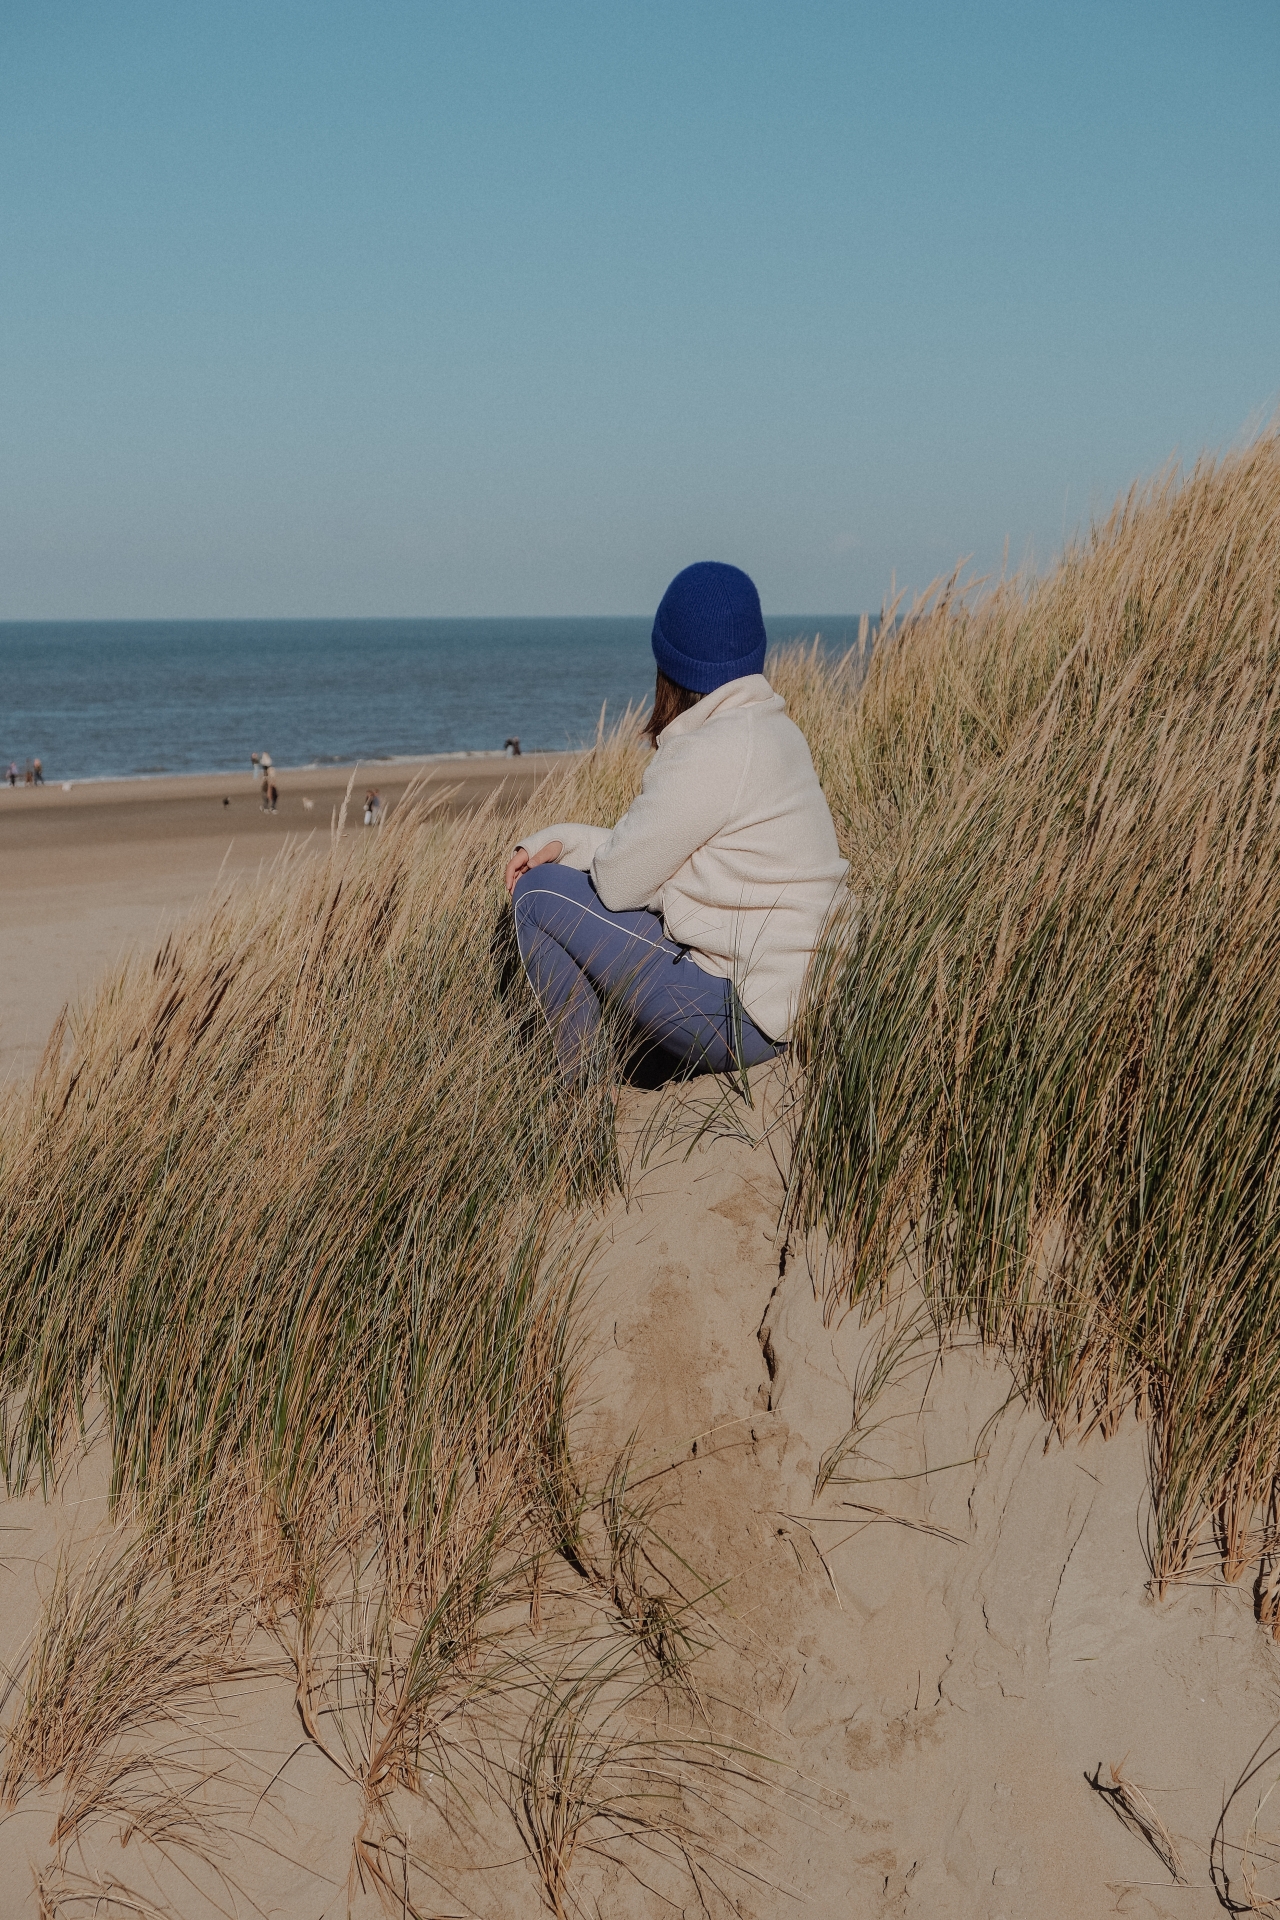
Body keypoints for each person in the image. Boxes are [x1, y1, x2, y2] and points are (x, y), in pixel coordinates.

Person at [505, 561, 848, 1082]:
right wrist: (563, 842)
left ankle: (578, 1095)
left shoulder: (709, 751)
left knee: (538, 894)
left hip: (745, 1017)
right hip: (803, 993)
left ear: (670, 664)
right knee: (575, 889)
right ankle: (619, 1063)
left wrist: (556, 853)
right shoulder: (776, 733)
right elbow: (668, 859)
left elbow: (619, 881)